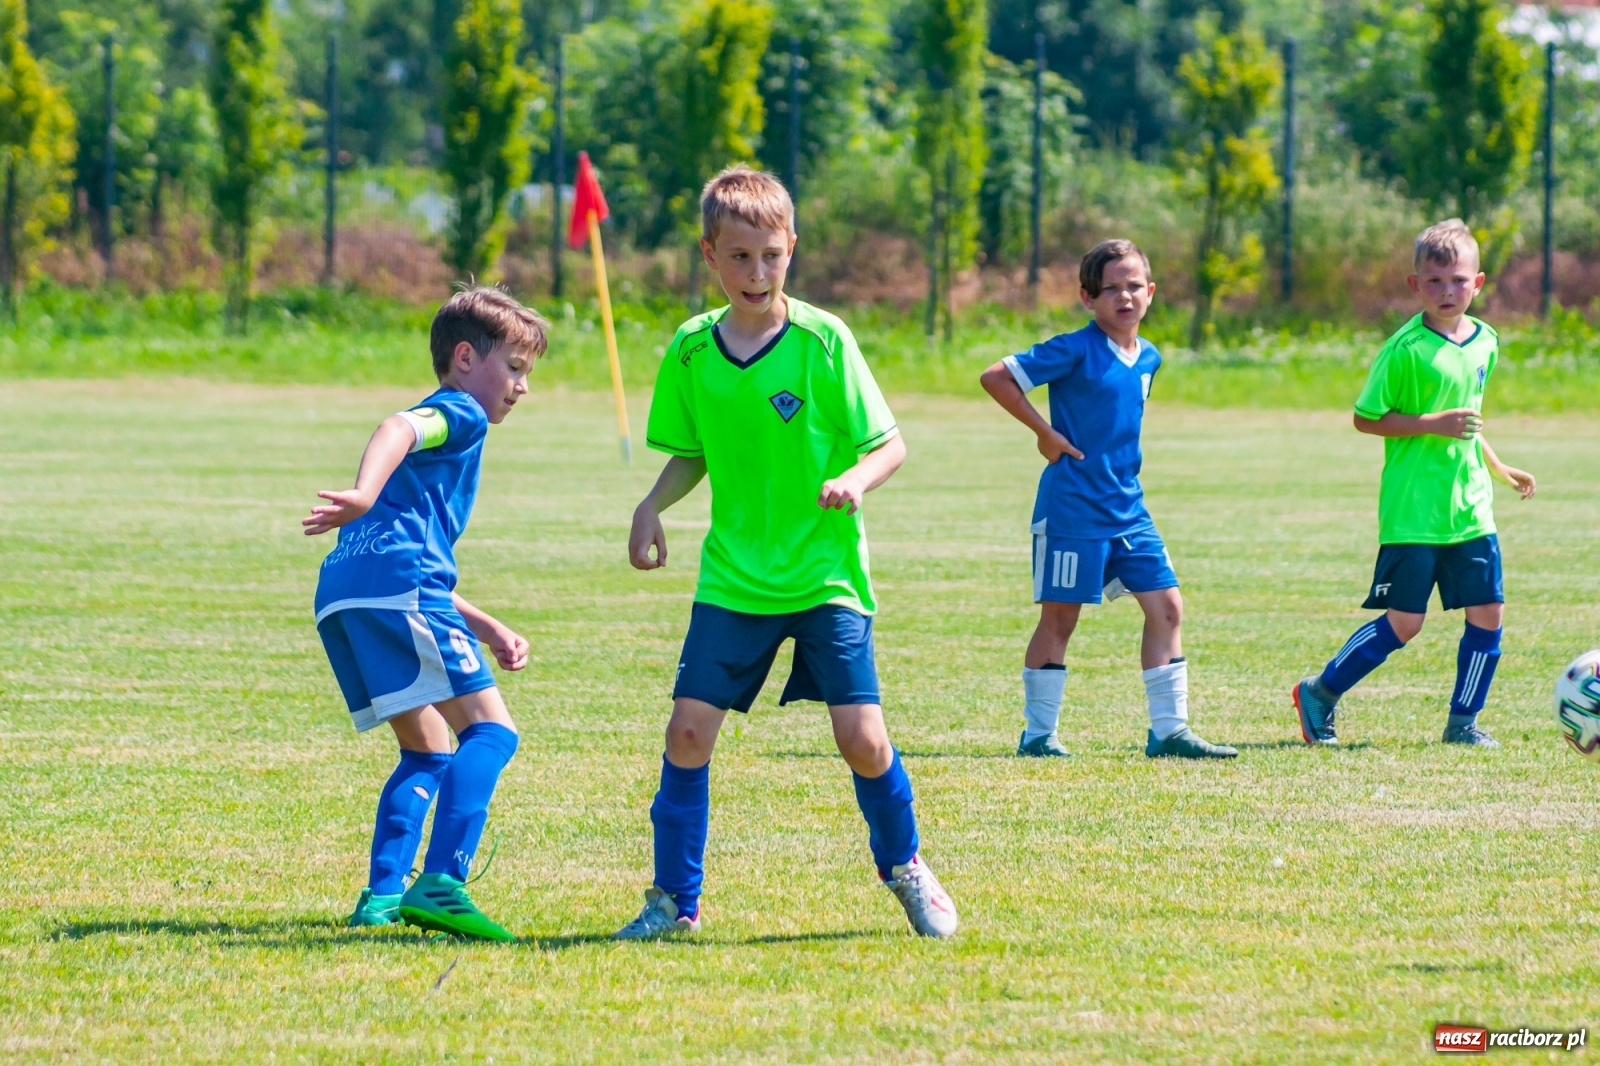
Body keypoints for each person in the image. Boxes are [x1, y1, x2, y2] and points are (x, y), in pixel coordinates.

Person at [614, 165, 957, 941]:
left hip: (824, 575)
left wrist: (855, 479)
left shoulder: (824, 340)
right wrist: (650, 506)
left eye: (770, 255)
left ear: (791, 249)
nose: (756, 272)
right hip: (734, 579)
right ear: (710, 255)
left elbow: (890, 444)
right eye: (739, 257)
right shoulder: (693, 350)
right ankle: (674, 902)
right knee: (687, 734)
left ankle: (905, 865)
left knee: (862, 740)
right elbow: (693, 452)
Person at [304, 287, 549, 940]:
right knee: (492, 734)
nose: (522, 388)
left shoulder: (444, 439)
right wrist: (363, 489)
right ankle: (441, 882)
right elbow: (400, 427)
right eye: (517, 369)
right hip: (398, 590)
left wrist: (487, 625)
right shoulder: (459, 413)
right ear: (465, 358)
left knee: (426, 751)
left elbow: (414, 566)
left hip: (349, 592)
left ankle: (382, 895)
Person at [979, 239, 1237, 760]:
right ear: (1087, 298)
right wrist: (1044, 432)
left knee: (1167, 606)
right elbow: (997, 377)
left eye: (1134, 286)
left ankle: (1169, 732)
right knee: (1061, 620)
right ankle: (1038, 735)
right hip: (1073, 509)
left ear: (1151, 292)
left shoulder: (1150, 357)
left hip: (1129, 509)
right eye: (1111, 288)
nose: (1125, 297)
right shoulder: (1074, 348)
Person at [1293, 220, 1536, 747]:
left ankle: (1463, 723)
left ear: (1479, 283)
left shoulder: (1485, 342)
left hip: (1470, 508)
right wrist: (1429, 425)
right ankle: (1319, 692)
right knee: (1405, 623)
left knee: (1489, 612)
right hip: (1413, 512)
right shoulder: (1404, 350)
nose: (1447, 291)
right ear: (1414, 285)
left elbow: (1467, 420)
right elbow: (1366, 417)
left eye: (1458, 280)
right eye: (1435, 281)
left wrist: (1499, 468)